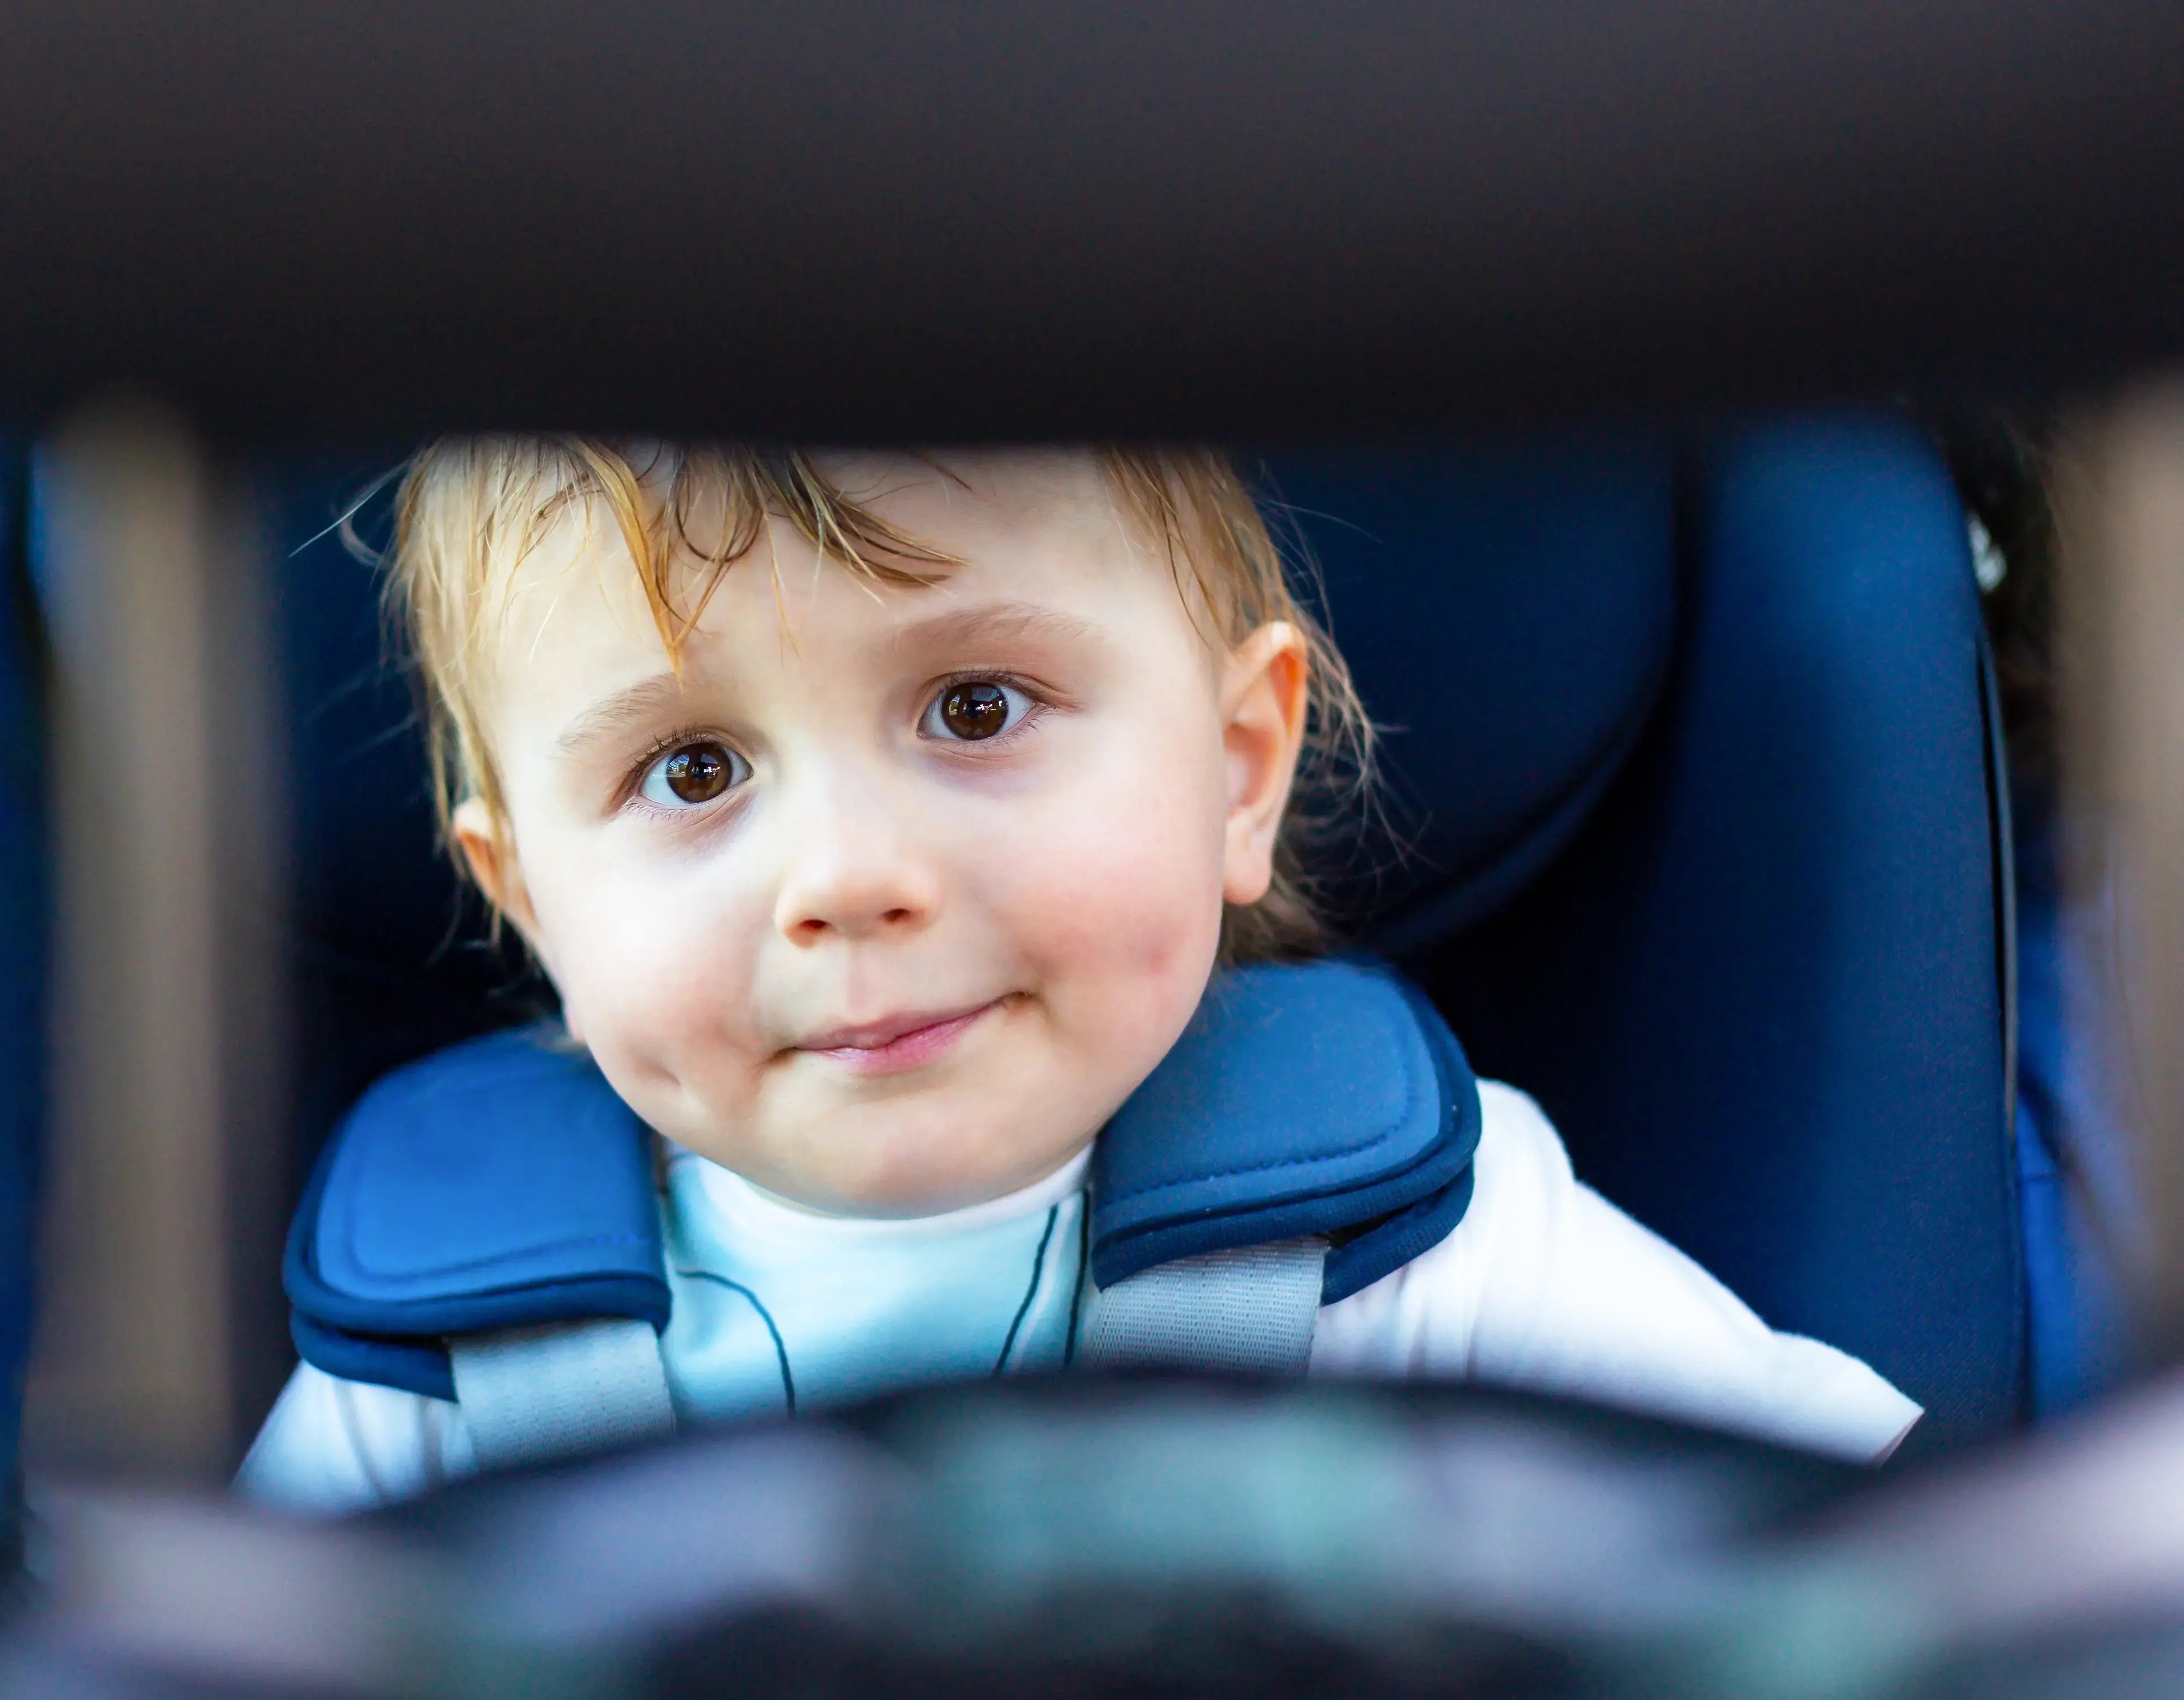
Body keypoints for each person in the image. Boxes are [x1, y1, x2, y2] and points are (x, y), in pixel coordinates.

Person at [238, 443, 1919, 1512]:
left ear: (1239, 766)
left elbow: (1902, 1573)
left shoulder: (1421, 1253)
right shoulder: (441, 1372)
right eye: (691, 774)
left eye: (976, 708)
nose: (848, 882)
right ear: (529, 900)